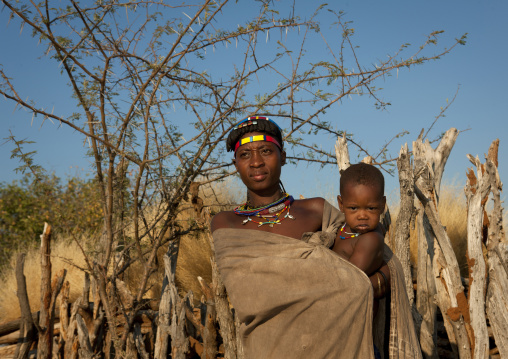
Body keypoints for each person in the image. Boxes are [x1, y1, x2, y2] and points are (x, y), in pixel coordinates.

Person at [211, 116, 421, 359]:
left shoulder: (316, 210)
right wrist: (360, 288)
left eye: (266, 151)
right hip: (272, 349)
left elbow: (380, 258)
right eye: (245, 154)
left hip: (343, 345)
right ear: (235, 163)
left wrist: (361, 285)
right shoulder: (226, 223)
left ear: (284, 157)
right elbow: (249, 296)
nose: (256, 162)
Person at [332, 163, 389, 303]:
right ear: (341, 204)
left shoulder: (370, 240)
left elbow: (349, 280)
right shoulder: (341, 228)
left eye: (371, 208)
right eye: (353, 208)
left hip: (349, 305)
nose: (362, 215)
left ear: (382, 205)